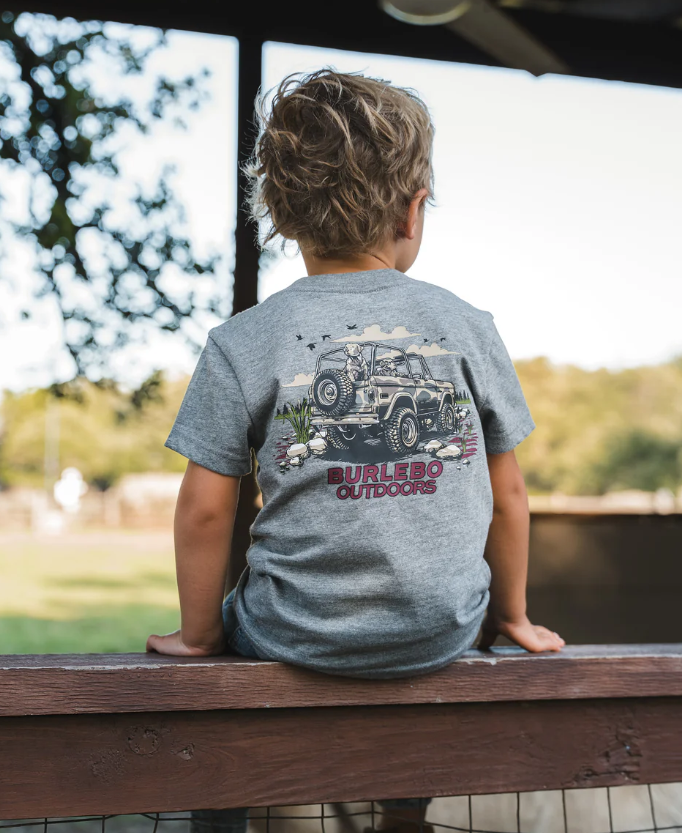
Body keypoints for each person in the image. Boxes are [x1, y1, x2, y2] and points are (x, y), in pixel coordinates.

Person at [148, 70, 565, 833]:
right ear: (413, 211)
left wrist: (200, 634)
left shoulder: (241, 340)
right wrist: (511, 615)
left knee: (236, 680)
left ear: (277, 213)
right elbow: (506, 494)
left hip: (292, 628)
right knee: (421, 695)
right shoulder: (467, 325)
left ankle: (238, 811)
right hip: (442, 628)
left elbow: (207, 510)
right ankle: (403, 806)